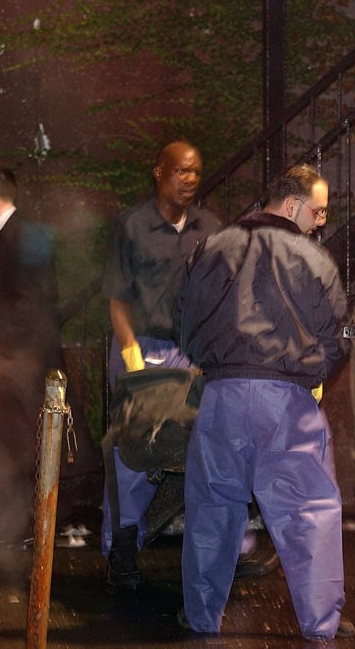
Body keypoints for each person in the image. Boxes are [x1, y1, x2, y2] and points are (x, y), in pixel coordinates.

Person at [175, 163, 355, 640]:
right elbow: (337, 337)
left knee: (213, 508)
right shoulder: (315, 261)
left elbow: (185, 325)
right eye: (317, 211)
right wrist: (312, 375)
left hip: (223, 396)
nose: (320, 221)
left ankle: (201, 618)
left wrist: (214, 365)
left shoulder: (212, 248)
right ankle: (321, 626)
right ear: (292, 205)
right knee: (308, 512)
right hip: (286, 400)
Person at [99, 140, 222, 588]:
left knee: (209, 450)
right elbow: (117, 301)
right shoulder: (133, 226)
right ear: (159, 172)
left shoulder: (210, 227)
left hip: (193, 352)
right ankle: (122, 550)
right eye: (180, 171)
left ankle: (227, 544)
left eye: (195, 172)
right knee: (133, 455)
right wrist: (133, 361)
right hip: (144, 348)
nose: (189, 179)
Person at [0, 164, 62, 546]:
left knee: (21, 446)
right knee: (4, 443)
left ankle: (21, 532)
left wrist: (4, 357)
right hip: (0, 365)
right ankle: (3, 528)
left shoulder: (26, 235)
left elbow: (34, 305)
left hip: (18, 366)